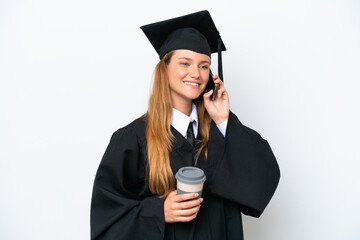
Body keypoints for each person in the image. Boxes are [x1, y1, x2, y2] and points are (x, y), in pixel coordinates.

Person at [90, 10, 280, 240]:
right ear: (164, 68)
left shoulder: (220, 129)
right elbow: (107, 221)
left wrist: (223, 119)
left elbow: (262, 179)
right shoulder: (133, 138)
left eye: (203, 65)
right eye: (185, 63)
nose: (196, 73)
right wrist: (158, 212)